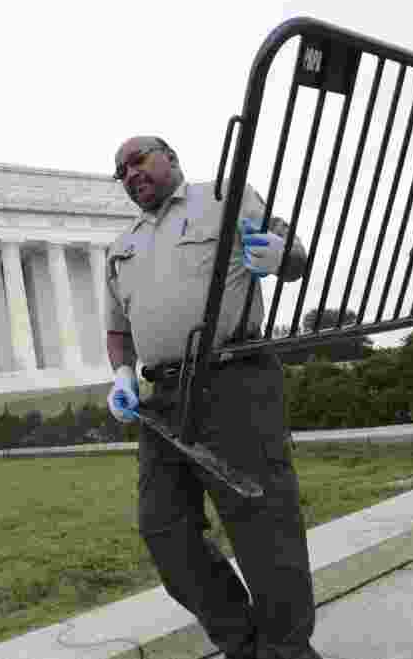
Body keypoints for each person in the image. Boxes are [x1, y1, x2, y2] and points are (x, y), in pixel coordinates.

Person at [103, 135, 321, 659]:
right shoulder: (120, 247)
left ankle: (287, 649)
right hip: (162, 399)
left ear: (171, 159)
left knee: (262, 523)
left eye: (138, 160)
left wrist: (279, 256)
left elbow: (293, 254)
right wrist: (123, 376)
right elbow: (117, 331)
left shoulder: (225, 197)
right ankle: (245, 645)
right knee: (164, 529)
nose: (131, 174)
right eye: (121, 172)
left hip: (233, 377)